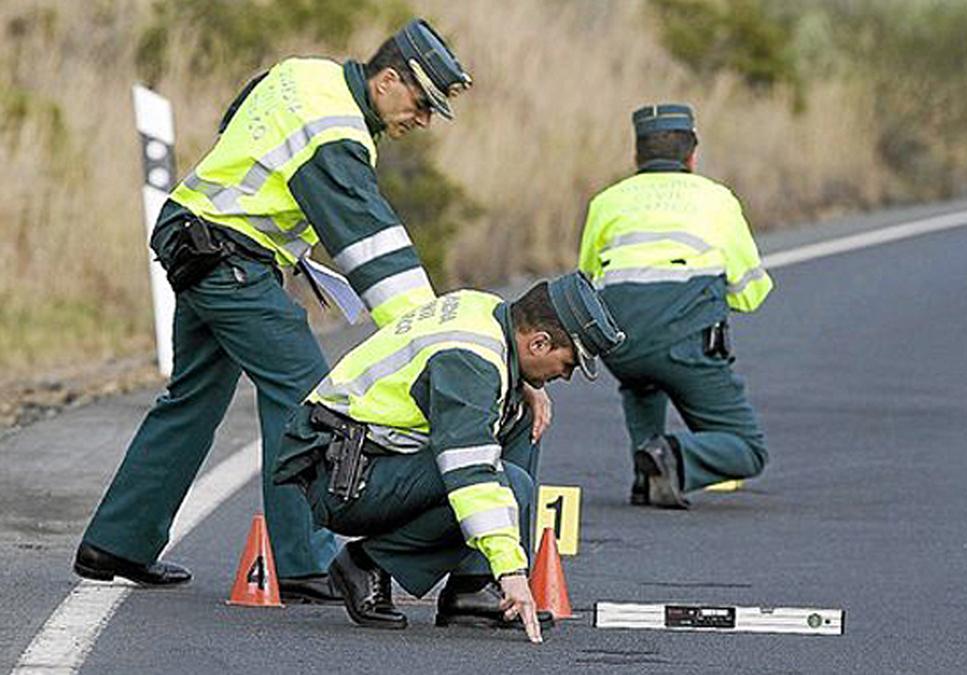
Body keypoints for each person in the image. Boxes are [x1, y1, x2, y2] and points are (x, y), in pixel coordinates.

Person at [74, 19, 552, 603]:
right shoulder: (336, 131)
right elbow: (376, 250)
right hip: (230, 257)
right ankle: (304, 561)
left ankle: (117, 543)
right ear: (388, 80)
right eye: (421, 104)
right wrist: (449, 344)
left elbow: (235, 129)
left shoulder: (303, 73)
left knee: (191, 400)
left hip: (194, 236)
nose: (422, 120)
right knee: (305, 397)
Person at [272, 271, 624, 643]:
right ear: (538, 343)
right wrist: (512, 571)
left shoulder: (488, 310)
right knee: (505, 482)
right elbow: (470, 472)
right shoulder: (469, 362)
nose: (565, 376)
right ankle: (367, 563)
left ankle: (472, 587)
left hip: (365, 458)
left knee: (521, 414)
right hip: (342, 482)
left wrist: (525, 383)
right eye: (568, 364)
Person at [577, 103, 773, 509]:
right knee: (748, 448)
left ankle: (644, 476)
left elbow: (588, 280)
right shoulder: (716, 198)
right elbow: (750, 291)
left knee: (640, 382)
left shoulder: (606, 202)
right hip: (683, 344)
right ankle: (673, 457)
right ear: (692, 156)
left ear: (636, 156)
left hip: (621, 345)